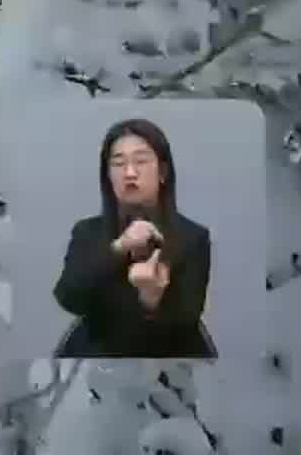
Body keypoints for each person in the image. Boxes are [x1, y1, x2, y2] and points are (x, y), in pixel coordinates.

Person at [52, 118, 214, 358]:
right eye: (118, 163)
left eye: (141, 161)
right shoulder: (87, 232)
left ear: (163, 171)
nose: (129, 173)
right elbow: (69, 297)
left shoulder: (193, 236)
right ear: (107, 175)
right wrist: (119, 248)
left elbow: (187, 320)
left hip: (169, 363)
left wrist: (151, 299)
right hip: (97, 358)